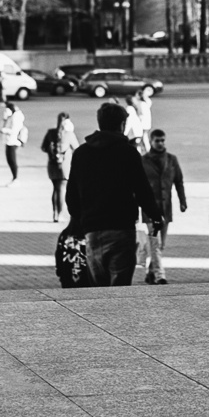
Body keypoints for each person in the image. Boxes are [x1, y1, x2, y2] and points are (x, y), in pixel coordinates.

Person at [65, 103, 157, 285]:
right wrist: (155, 216)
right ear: (122, 124)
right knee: (120, 287)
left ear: (100, 123)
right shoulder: (128, 153)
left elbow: (71, 196)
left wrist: (82, 220)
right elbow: (142, 190)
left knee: (99, 288)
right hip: (122, 228)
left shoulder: (81, 153)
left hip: (93, 230)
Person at [139, 128, 187, 284]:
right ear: (151, 141)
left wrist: (182, 201)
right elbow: (137, 184)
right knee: (156, 241)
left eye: (162, 140)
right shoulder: (143, 161)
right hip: (150, 208)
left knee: (161, 244)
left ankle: (150, 272)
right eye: (157, 141)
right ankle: (160, 275)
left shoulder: (172, 160)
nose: (160, 143)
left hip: (166, 208)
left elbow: (179, 182)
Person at [42, 113, 76, 219]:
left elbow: (43, 147)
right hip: (64, 164)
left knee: (55, 189)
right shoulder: (69, 134)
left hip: (52, 164)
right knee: (61, 189)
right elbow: (77, 148)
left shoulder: (50, 132)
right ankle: (60, 213)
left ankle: (55, 213)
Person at [0, 100, 28, 185]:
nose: (5, 112)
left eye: (6, 110)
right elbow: (1, 127)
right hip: (9, 141)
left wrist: (5, 130)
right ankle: (14, 178)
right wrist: (4, 118)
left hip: (13, 141)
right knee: (10, 160)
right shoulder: (10, 117)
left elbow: (14, 130)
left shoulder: (16, 118)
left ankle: (16, 179)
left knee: (12, 160)